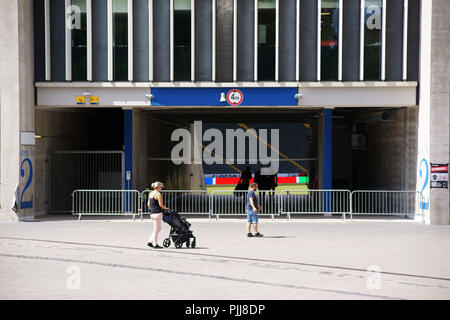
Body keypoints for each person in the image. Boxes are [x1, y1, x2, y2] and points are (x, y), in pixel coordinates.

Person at [147, 181, 169, 249]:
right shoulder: (158, 194)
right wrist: (167, 208)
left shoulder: (151, 194)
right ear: (158, 187)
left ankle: (150, 242)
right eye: (161, 187)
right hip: (157, 213)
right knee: (157, 230)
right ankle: (155, 244)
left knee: (157, 229)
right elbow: (161, 205)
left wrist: (153, 209)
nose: (161, 188)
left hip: (152, 214)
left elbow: (148, 205)